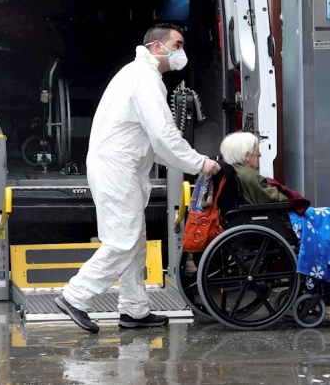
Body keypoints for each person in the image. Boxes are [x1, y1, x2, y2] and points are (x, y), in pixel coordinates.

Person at [55, 23, 221, 334]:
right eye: (178, 44)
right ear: (158, 47)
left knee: (134, 241)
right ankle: (75, 295)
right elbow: (163, 136)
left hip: (122, 167)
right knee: (123, 240)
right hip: (118, 168)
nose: (181, 51)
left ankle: (134, 309)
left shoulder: (139, 76)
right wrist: (199, 163)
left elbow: (153, 141)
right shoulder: (144, 79)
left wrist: (189, 161)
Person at [218, 132, 330, 297]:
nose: (260, 154)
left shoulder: (238, 172)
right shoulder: (249, 176)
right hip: (276, 220)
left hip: (257, 219)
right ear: (247, 155)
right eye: (256, 150)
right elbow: (275, 198)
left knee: (325, 218)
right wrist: (289, 197)